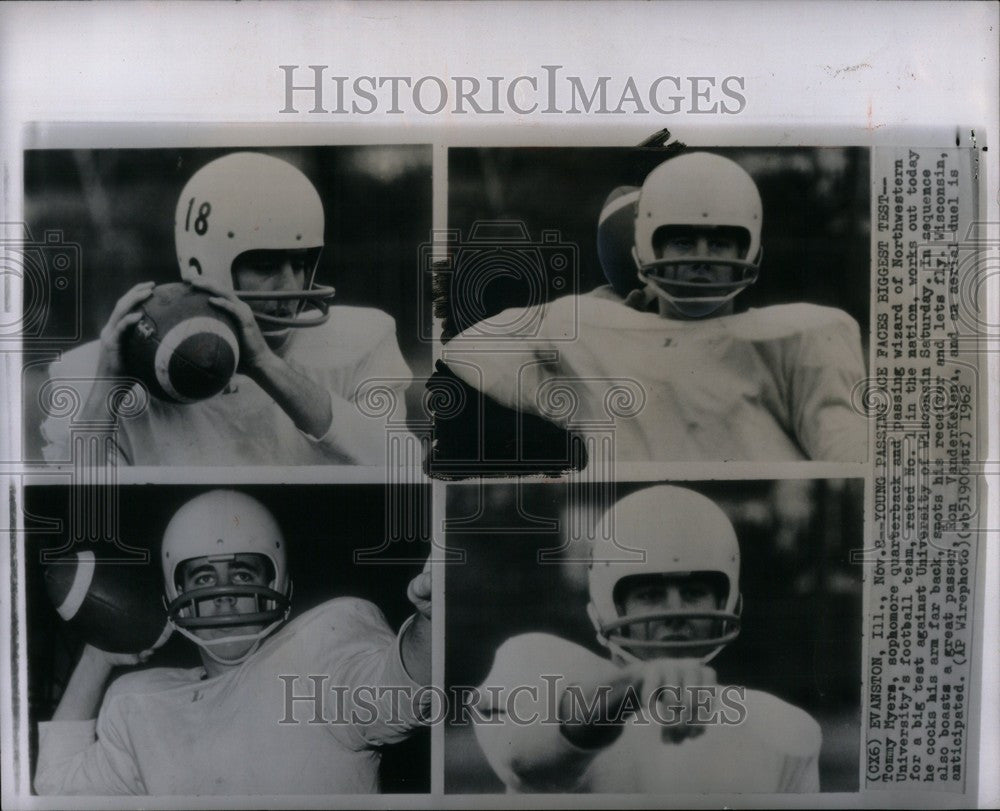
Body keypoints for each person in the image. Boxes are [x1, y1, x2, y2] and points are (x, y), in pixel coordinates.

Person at [442, 152, 867, 462]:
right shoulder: (595, 332)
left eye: (720, 241)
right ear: (641, 253)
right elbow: (469, 348)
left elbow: (850, 455)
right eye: (682, 241)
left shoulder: (801, 335)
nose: (702, 257)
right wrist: (612, 306)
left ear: (752, 251)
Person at [34, 489, 433, 795]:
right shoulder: (141, 703)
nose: (223, 596)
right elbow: (55, 785)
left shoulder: (322, 651)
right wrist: (97, 656)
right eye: (203, 579)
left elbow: (405, 693)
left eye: (242, 575)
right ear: (172, 595)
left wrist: (431, 619)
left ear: (279, 584)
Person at [40, 152, 411, 465]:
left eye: (299, 264)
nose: (291, 286)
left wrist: (267, 366)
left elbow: (401, 467)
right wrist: (107, 388)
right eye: (265, 267)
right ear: (205, 265)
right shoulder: (102, 366)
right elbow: (68, 517)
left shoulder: (362, 340)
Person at [473, 486, 822, 794]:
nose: (675, 611)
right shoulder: (534, 663)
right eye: (651, 594)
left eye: (694, 592)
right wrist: (634, 687)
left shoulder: (781, 732)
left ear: (730, 602)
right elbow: (526, 754)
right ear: (608, 608)